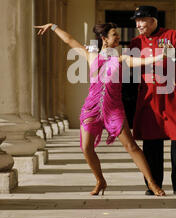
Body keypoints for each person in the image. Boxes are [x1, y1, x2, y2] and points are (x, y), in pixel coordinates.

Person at [34, 22, 166, 197]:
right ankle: (100, 181)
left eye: (117, 34)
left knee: (131, 146)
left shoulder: (122, 58)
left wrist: (161, 56)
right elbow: (69, 40)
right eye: (114, 35)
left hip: (114, 109)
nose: (118, 37)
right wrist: (53, 27)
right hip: (92, 108)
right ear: (104, 39)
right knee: (86, 147)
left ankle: (152, 183)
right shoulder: (90, 55)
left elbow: (143, 61)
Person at [129, 6, 176, 196]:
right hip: (149, 97)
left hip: (172, 95)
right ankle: (154, 185)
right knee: (152, 143)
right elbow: (129, 69)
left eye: (142, 20)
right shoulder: (135, 42)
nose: (138, 24)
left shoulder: (171, 35)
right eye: (136, 21)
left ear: (153, 21)